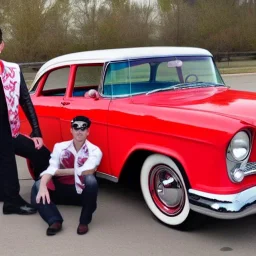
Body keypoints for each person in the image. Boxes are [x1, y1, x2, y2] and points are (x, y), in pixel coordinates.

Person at [0, 27, 51, 214]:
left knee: (42, 153)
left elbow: (25, 99)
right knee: (6, 159)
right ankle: (11, 200)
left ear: (1, 46)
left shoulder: (12, 70)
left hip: (10, 130)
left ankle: (42, 187)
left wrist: (36, 130)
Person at [31, 116, 102, 236]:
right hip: (60, 191)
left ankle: (84, 222)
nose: (79, 131)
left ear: (88, 131)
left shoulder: (95, 150)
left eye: (83, 128)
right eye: (76, 127)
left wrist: (58, 172)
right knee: (38, 185)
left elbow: (87, 171)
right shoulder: (60, 147)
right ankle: (54, 221)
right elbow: (51, 168)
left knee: (91, 181)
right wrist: (43, 184)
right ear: (71, 130)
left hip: (80, 193)